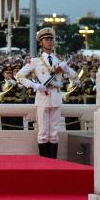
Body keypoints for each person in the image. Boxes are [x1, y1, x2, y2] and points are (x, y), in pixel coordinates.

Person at [16, 28, 77, 159]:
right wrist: (34, 85)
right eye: (46, 40)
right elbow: (19, 76)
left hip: (56, 96)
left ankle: (53, 162)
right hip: (43, 97)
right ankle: (44, 162)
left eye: (51, 39)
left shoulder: (59, 61)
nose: (49, 42)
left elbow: (75, 77)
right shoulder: (35, 61)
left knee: (54, 133)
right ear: (41, 42)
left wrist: (67, 69)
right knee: (43, 132)